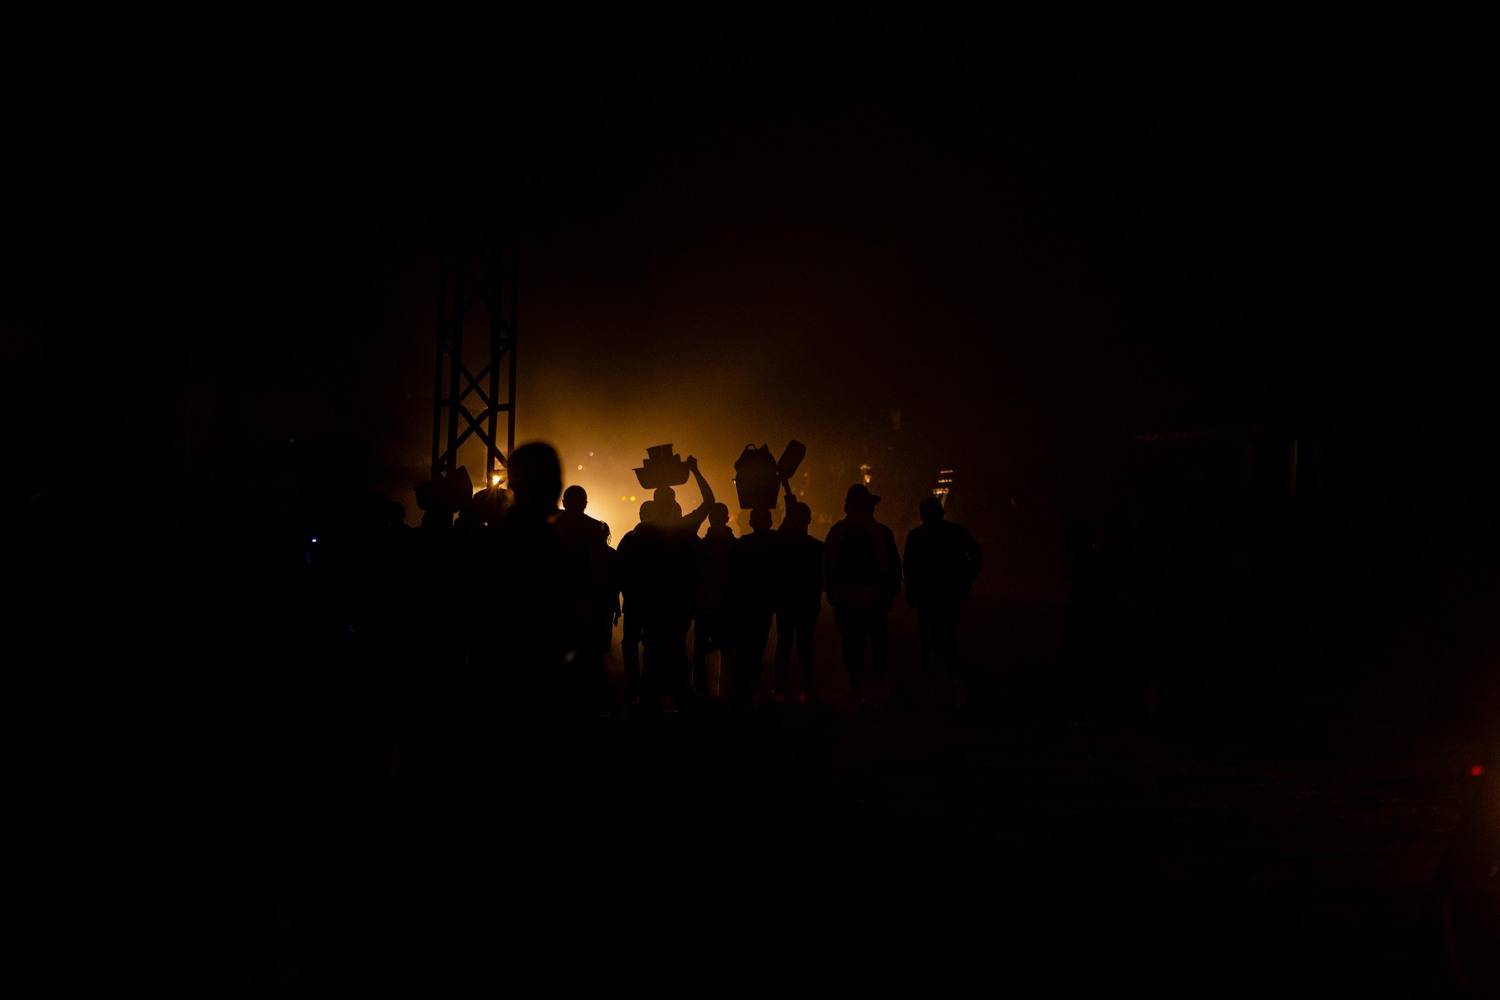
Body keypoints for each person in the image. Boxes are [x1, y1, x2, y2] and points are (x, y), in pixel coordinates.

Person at [823, 484, 901, 708]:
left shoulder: (838, 532)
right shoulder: (881, 532)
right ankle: (876, 685)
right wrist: (889, 594)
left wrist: (833, 593)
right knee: (877, 643)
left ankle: (857, 684)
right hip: (875, 598)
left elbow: (827, 565)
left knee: (853, 644)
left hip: (847, 599)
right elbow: (893, 568)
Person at [903, 497, 982, 704]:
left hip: (927, 595)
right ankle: (951, 679)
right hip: (949, 594)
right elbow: (975, 555)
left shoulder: (916, 536)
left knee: (927, 637)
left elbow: (909, 568)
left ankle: (931, 682)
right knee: (949, 635)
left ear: (922, 515)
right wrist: (965, 581)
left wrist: (911, 593)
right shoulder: (956, 532)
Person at [773, 500, 823, 704]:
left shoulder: (782, 546)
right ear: (808, 520)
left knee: (784, 645)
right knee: (805, 647)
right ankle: (805, 689)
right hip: (807, 604)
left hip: (786, 603)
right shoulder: (817, 548)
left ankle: (781, 689)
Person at [729, 506, 779, 707]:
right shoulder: (775, 542)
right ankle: (751, 688)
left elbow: (733, 576)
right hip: (763, 604)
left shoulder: (742, 544)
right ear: (770, 521)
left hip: (744, 604)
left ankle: (740, 690)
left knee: (742, 649)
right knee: (757, 648)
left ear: (750, 522)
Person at [693, 502, 736, 699]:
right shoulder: (736, 547)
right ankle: (726, 691)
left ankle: (700, 691)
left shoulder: (701, 547)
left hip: (705, 605)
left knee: (700, 650)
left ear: (709, 519)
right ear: (727, 518)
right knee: (728, 650)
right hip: (728, 606)